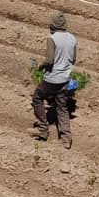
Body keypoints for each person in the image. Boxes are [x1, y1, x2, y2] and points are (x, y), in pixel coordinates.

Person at [32, 12, 76, 149]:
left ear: (53, 25)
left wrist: (41, 66)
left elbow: (49, 61)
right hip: (65, 79)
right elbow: (73, 59)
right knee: (62, 107)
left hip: (52, 78)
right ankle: (65, 139)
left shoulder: (52, 38)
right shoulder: (72, 38)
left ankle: (42, 129)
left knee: (37, 97)